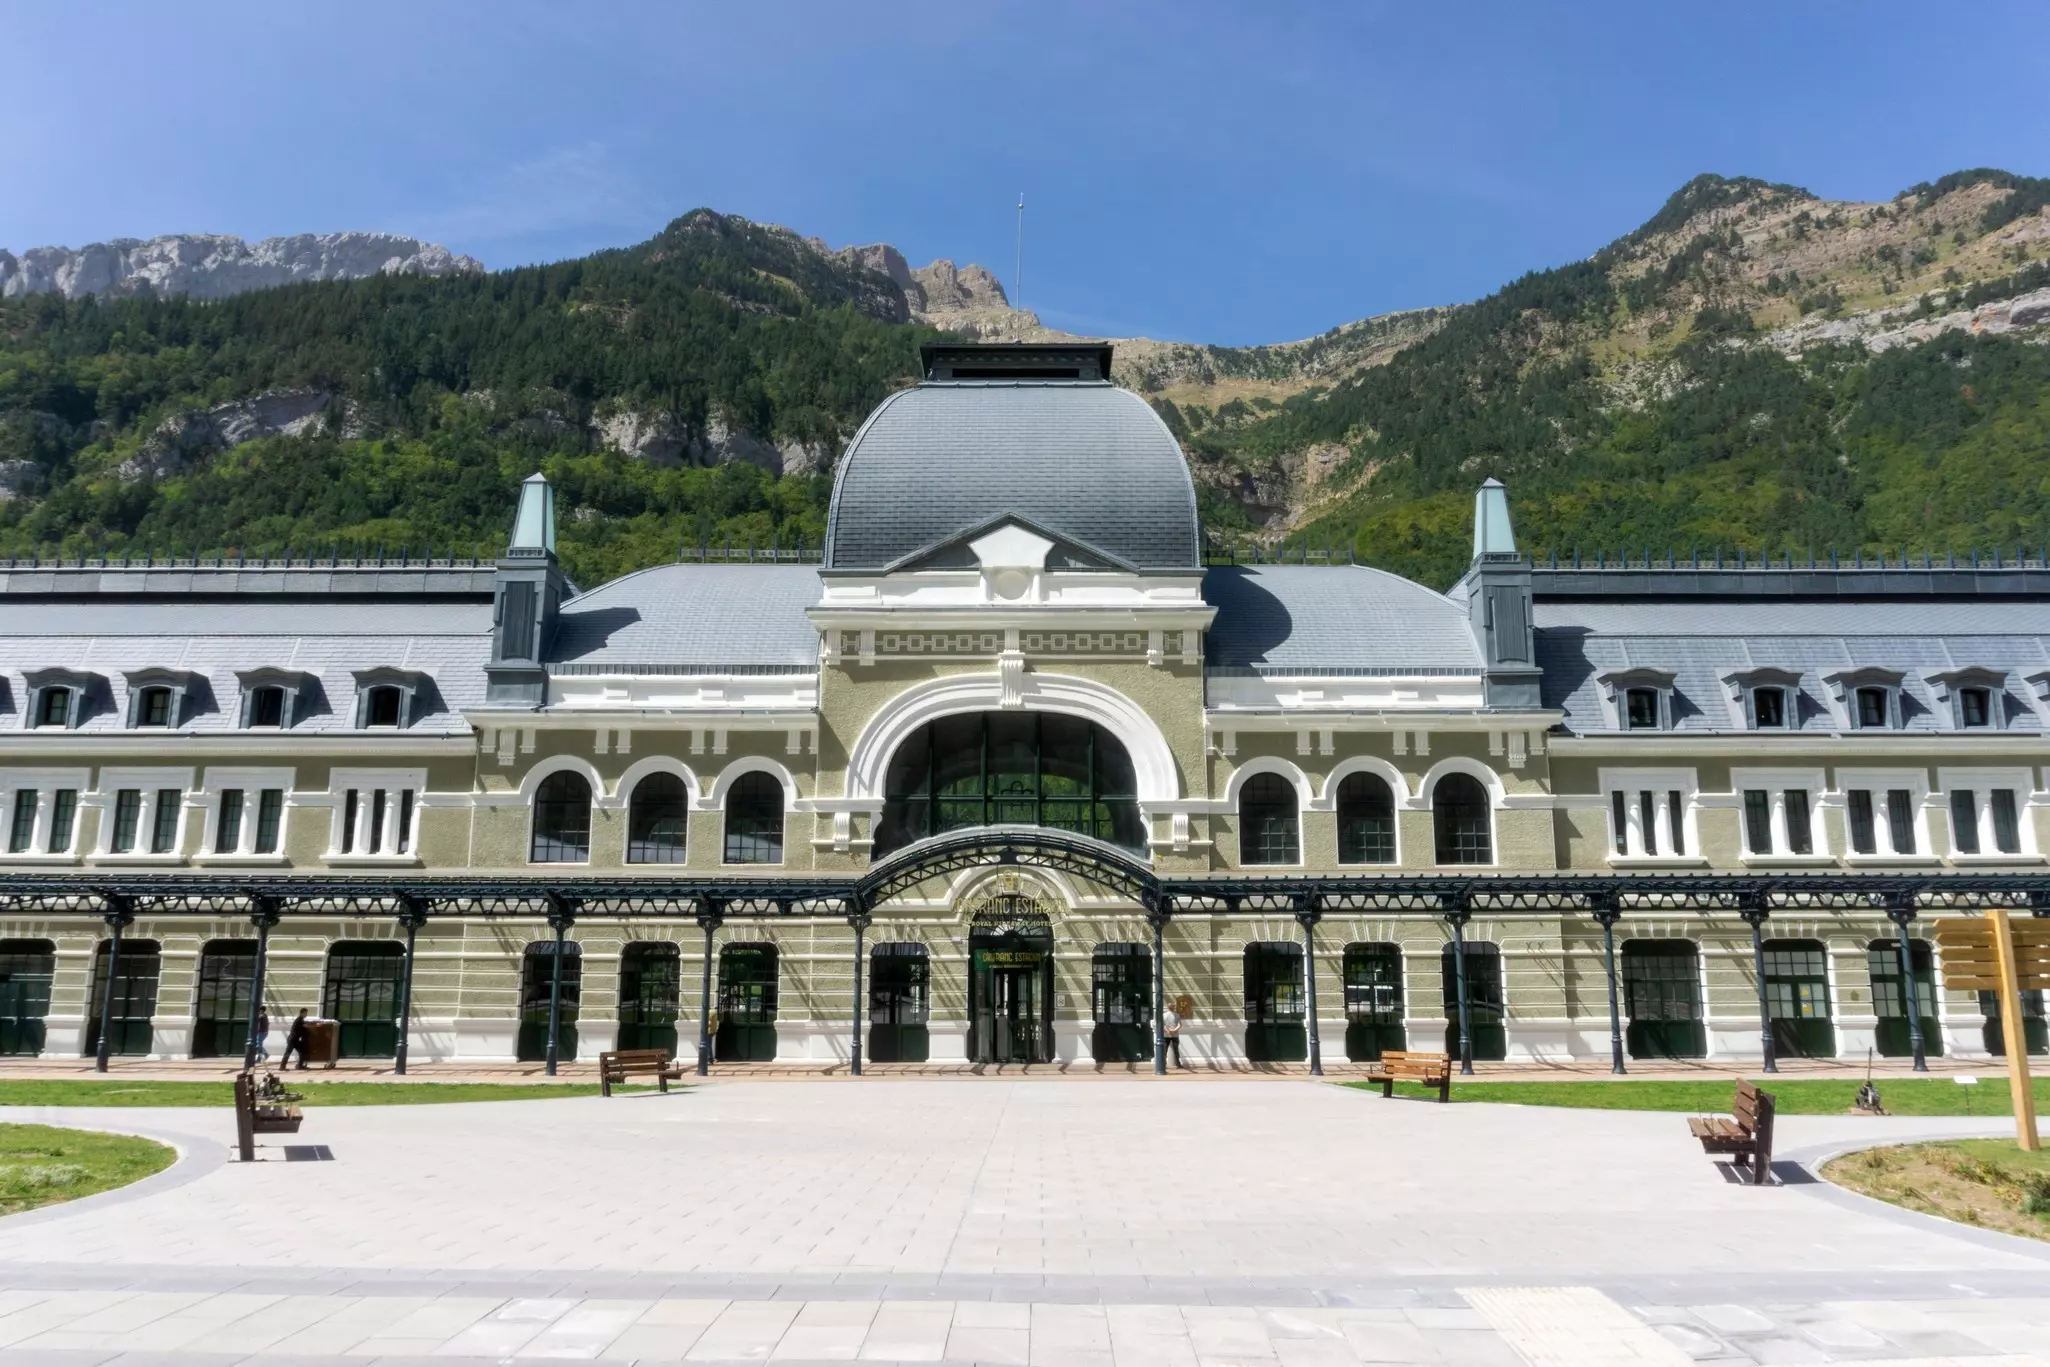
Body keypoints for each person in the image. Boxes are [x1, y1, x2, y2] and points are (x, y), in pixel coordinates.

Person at [1162, 1001, 1184, 1069]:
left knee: (1165, 1050)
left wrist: (1168, 1031)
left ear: (1168, 1007)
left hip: (1166, 1034)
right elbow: (1180, 1025)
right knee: (1176, 1050)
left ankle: (1163, 1064)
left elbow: (1163, 1025)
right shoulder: (1177, 1015)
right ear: (1174, 1007)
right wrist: (1174, 1030)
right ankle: (1178, 1064)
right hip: (1175, 1034)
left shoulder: (1164, 1015)